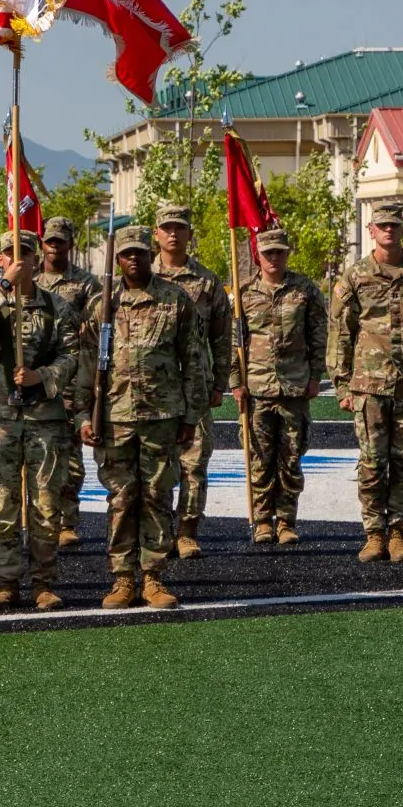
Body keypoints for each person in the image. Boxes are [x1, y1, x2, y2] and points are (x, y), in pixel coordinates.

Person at [0, 230, 88, 610]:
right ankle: (6, 582)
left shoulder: (58, 307)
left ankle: (43, 582)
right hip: (1, 416)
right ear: (1, 260)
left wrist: (43, 378)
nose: (18, 260)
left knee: (46, 505)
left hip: (43, 418)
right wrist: (4, 287)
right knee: (1, 504)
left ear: (36, 260)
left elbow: (72, 357)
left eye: (24, 254)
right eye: (9, 254)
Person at [84, 225, 202, 610]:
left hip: (161, 415)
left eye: (138, 252)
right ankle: (122, 579)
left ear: (150, 254)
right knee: (120, 498)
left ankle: (152, 576)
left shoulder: (175, 299)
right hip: (115, 417)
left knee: (156, 496)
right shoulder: (103, 304)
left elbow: (193, 360)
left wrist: (191, 414)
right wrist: (83, 416)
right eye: (125, 253)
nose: (133, 259)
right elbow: (85, 366)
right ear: (117, 259)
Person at [327, 200, 403, 563]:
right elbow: (341, 334)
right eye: (382, 225)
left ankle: (398, 532)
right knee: (370, 463)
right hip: (368, 386)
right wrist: (341, 385)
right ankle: (373, 534)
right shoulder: (355, 277)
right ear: (371, 231)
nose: (388, 231)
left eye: (394, 226)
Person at [233, 227, 328, 545]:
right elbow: (234, 342)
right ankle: (262, 520)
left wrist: (316, 377)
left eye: (279, 252)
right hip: (257, 387)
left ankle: (286, 520)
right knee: (260, 458)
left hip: (294, 387)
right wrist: (236, 382)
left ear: (288, 253)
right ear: (258, 256)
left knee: (290, 458)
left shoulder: (304, 289)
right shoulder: (243, 291)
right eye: (267, 253)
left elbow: (318, 334)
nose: (273, 257)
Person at [150, 202, 230, 559]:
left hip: (195, 385)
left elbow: (221, 337)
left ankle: (186, 531)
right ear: (156, 234)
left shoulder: (207, 281)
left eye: (179, 228)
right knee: (157, 464)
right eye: (166, 227)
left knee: (194, 464)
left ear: (189, 235)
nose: (172, 233)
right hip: (153, 389)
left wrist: (220, 383)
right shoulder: (141, 277)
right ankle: (159, 530)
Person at [36, 216, 101, 549]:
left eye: (61, 241)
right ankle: (38, 519)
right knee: (39, 454)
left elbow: (97, 326)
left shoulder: (88, 284)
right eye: (50, 241)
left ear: (70, 244)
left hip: (74, 374)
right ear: (42, 243)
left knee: (71, 457)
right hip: (37, 376)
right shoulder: (32, 280)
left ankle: (67, 521)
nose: (55, 246)